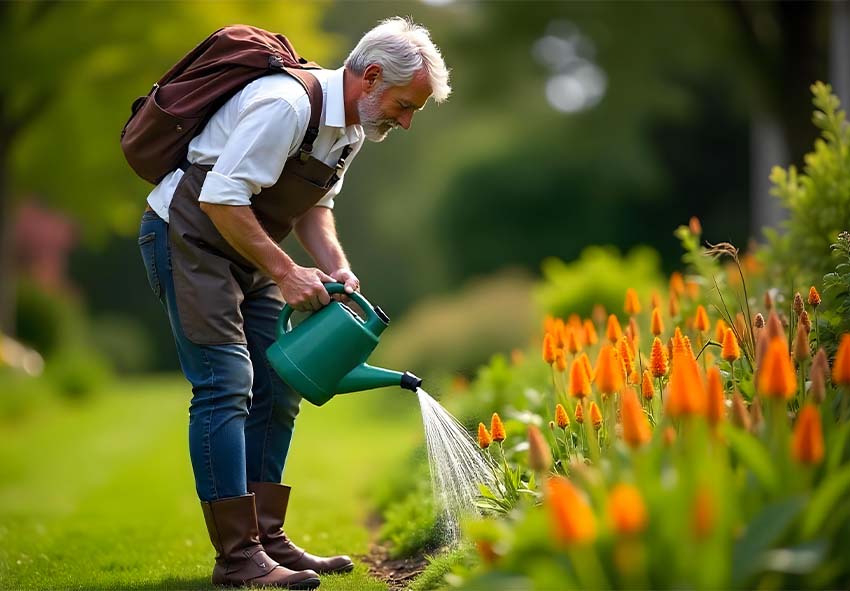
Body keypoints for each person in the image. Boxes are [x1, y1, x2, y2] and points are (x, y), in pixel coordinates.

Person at [137, 17, 450, 589]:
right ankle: (238, 559)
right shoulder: (285, 103)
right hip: (188, 235)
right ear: (372, 75)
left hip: (247, 246)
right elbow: (222, 197)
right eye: (406, 106)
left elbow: (314, 207)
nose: (405, 121)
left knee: (279, 382)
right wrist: (285, 271)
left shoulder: (351, 129)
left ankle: (268, 539)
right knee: (226, 381)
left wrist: (334, 265)